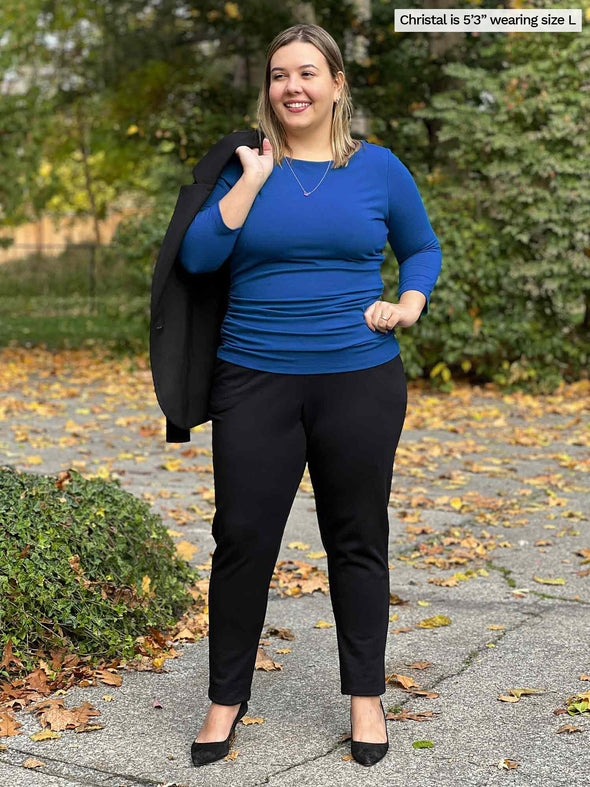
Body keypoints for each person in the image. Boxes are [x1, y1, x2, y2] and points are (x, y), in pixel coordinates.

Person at [183, 23, 442, 768]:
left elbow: (419, 246)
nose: (290, 86)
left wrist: (410, 302)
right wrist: (252, 185)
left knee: (357, 538)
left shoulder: (379, 169)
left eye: (306, 72)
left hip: (358, 376)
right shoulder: (245, 167)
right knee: (242, 541)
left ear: (335, 84)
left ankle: (365, 693)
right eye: (277, 75)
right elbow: (199, 257)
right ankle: (226, 696)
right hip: (254, 377)